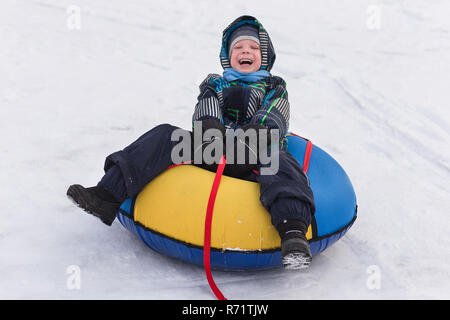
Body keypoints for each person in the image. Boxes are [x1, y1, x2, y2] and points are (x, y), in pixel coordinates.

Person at [67, 15, 315, 269]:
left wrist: (254, 136)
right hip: (214, 147)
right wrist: (211, 130)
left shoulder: (274, 85)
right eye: (238, 48)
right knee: (164, 136)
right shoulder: (214, 83)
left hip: (258, 149)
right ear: (227, 56)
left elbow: (275, 114)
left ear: (264, 56)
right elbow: (206, 108)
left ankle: (293, 232)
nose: (245, 52)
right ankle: (108, 194)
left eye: (253, 48)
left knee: (281, 162)